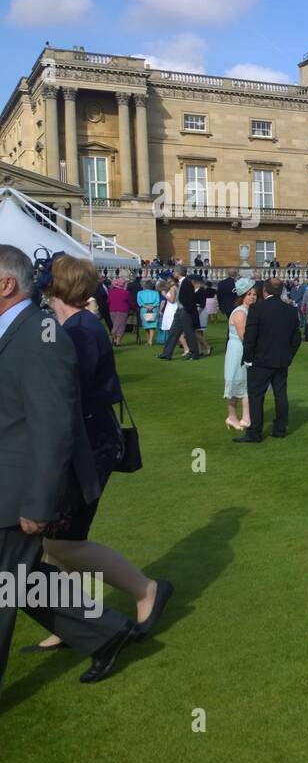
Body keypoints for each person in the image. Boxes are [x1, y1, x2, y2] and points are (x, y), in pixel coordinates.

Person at [0, 245, 138, 692]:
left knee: (9, 584)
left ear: (6, 284)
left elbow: (54, 424)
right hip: (11, 484)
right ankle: (106, 629)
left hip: (18, 491)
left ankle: (123, 612)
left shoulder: (40, 335)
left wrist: (39, 502)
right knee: (19, 580)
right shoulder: (20, 330)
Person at [24, 256, 174, 655]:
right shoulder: (74, 326)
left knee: (63, 542)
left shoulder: (80, 330)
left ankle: (147, 590)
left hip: (89, 442)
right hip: (84, 438)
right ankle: (71, 622)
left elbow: (67, 393)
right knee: (53, 540)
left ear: (56, 285)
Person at [233, 277, 302, 444]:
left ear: (265, 290)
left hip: (260, 361)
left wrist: (248, 358)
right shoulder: (291, 310)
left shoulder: (257, 309)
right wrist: (288, 356)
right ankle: (280, 429)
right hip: (280, 361)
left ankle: (254, 433)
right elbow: (296, 339)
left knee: (256, 396)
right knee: (280, 395)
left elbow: (250, 337)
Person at [223, 277, 257, 431]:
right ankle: (232, 416)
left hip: (244, 349)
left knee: (245, 384)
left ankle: (246, 417)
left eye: (254, 294)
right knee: (236, 382)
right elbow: (245, 337)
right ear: (242, 296)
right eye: (249, 294)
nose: (252, 297)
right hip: (238, 350)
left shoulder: (250, 311)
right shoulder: (240, 313)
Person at [157, 273, 200, 361]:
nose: (173, 273)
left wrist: (186, 309)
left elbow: (191, 297)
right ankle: (167, 353)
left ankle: (194, 354)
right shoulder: (180, 283)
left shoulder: (186, 282)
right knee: (173, 331)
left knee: (189, 332)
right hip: (179, 310)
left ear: (178, 273)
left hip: (185, 310)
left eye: (175, 272)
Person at [136, 278, 162, 346]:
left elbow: (139, 302)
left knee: (146, 325)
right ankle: (149, 340)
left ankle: (149, 340)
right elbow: (158, 301)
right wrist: (152, 306)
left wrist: (146, 306)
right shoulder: (156, 292)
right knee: (151, 326)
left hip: (144, 309)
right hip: (153, 309)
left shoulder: (140, 292)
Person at [107, 277, 131, 347]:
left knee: (115, 324)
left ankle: (114, 339)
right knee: (121, 326)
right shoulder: (125, 292)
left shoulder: (110, 292)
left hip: (112, 310)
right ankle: (117, 341)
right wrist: (133, 308)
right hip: (122, 310)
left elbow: (108, 301)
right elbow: (130, 302)